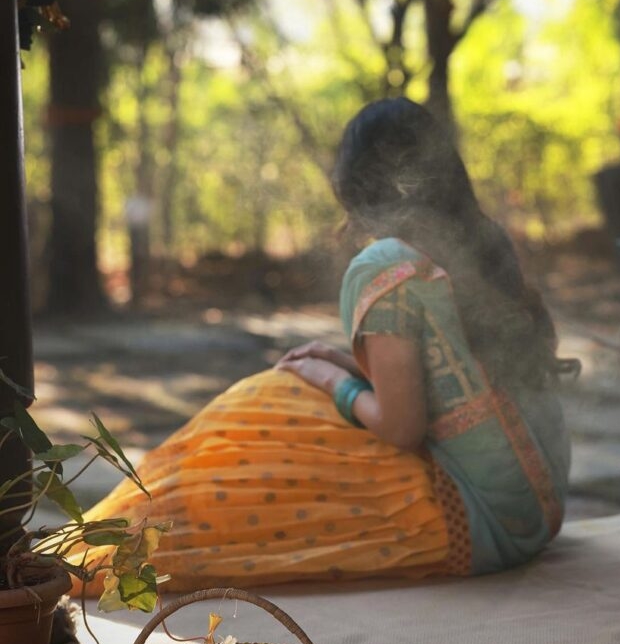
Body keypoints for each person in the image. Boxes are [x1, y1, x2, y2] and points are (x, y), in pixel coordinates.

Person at [71, 99, 575, 594]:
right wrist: (337, 364)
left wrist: (331, 379)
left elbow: (403, 427)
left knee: (250, 430)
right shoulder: (481, 239)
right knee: (287, 398)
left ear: (355, 186)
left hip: (484, 515)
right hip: (540, 507)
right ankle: (93, 543)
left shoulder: (384, 263)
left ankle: (87, 555)